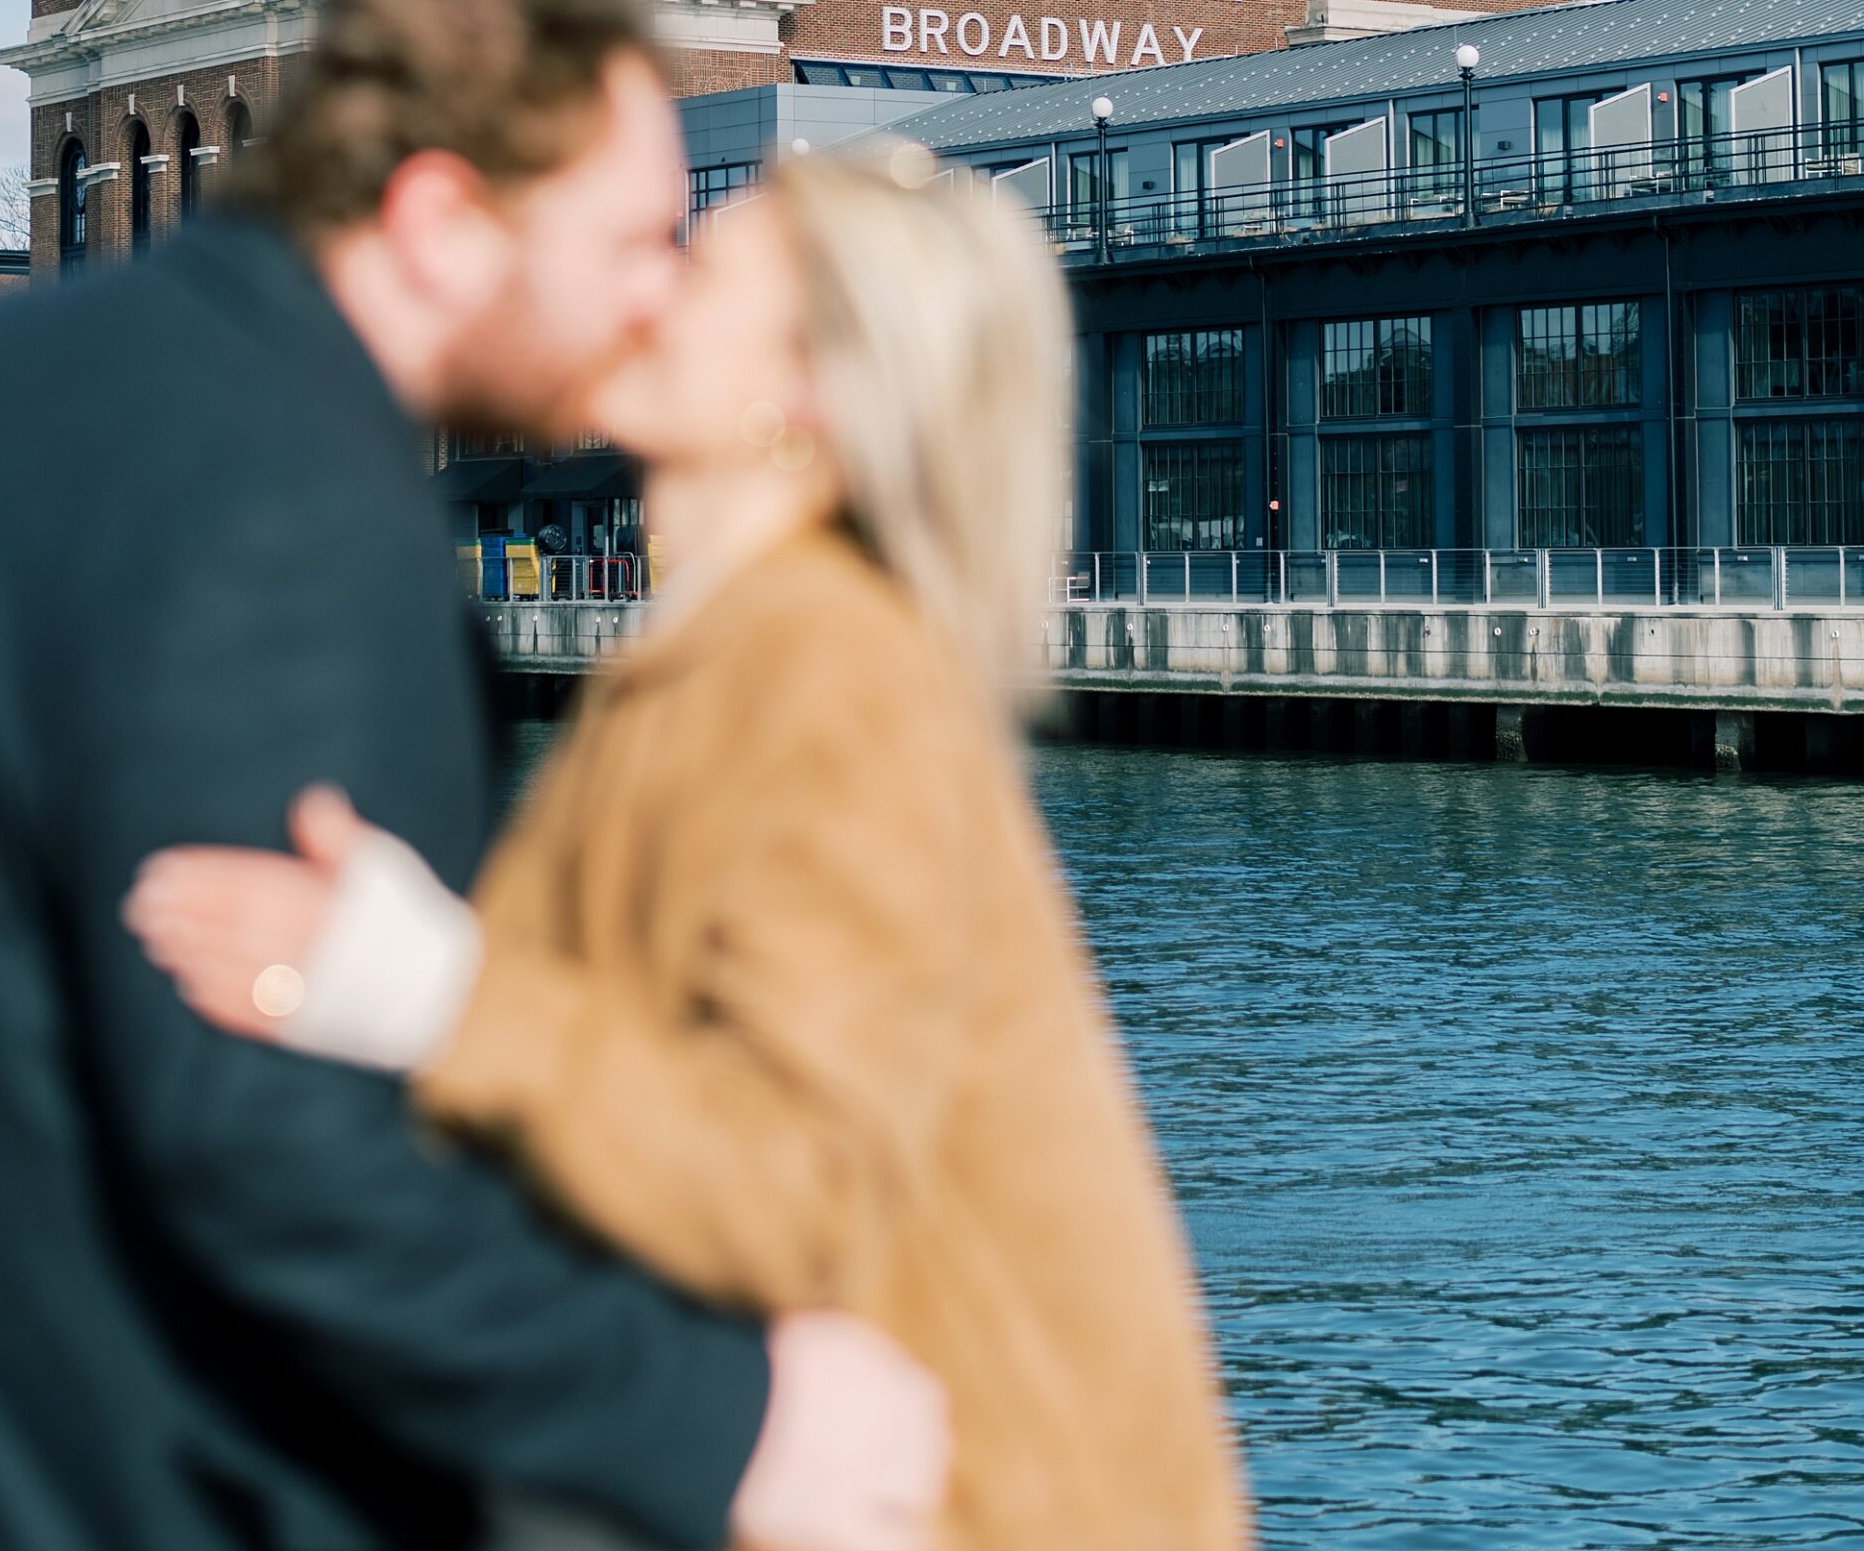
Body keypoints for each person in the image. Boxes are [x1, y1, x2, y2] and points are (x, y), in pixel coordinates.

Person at [0, 0, 946, 1551]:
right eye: (628, 239)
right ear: (438, 221)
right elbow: (265, 1133)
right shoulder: (286, 509)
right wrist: (716, 1425)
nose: (658, 289)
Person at [128, 144, 1259, 1551]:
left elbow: (791, 1188)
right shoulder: (734, 653)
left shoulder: (823, 673)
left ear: (806, 394)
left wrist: (431, 989)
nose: (643, 285)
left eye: (699, 265)